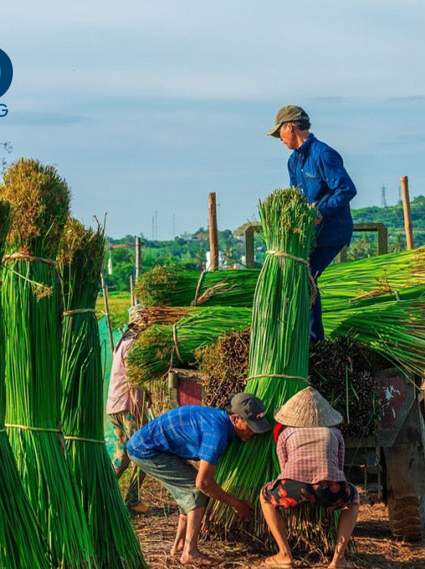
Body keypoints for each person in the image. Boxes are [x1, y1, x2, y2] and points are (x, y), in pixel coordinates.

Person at [126, 393, 272, 566]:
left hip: (155, 447)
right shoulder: (217, 433)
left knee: (188, 491)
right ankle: (190, 552)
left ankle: (179, 546)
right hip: (146, 450)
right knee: (196, 491)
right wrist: (237, 505)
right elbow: (203, 483)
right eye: (251, 426)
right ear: (235, 419)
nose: (254, 432)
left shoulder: (219, 421)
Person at [268, 105, 357, 342]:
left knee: (305, 275)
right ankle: (302, 334)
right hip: (311, 231)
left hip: (332, 230)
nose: (279, 138)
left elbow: (346, 189)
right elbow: (295, 199)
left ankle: (313, 339)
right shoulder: (293, 162)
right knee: (296, 273)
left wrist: (320, 212)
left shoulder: (323, 154)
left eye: (279, 132)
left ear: (290, 127)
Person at [259, 387, 360, 569]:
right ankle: (338, 560)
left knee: (265, 495)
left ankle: (284, 555)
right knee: (353, 499)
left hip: (294, 488)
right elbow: (339, 467)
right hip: (329, 488)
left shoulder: (286, 433)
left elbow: (284, 468)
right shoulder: (334, 433)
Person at [107, 303, 152, 513]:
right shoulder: (133, 343)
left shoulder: (124, 340)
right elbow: (133, 379)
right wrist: (139, 409)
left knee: (122, 454)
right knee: (145, 451)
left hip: (114, 405)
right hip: (128, 406)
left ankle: (103, 492)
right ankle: (132, 500)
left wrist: (145, 392)